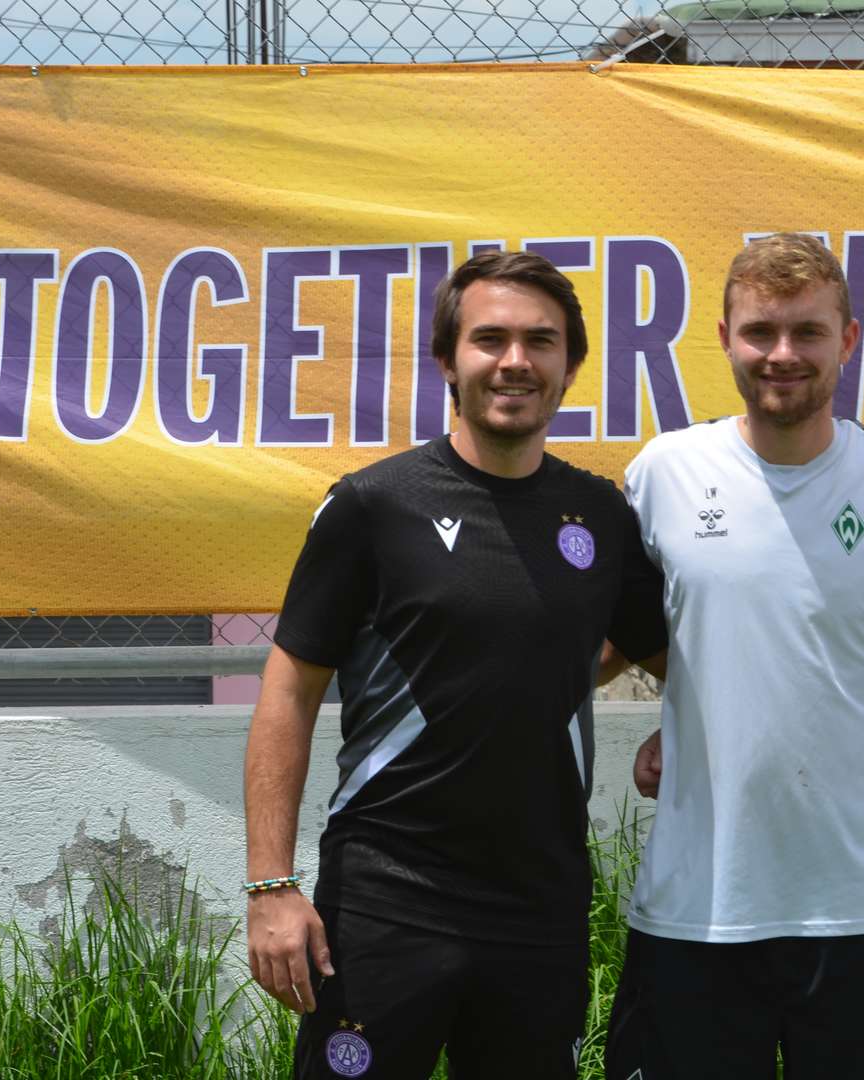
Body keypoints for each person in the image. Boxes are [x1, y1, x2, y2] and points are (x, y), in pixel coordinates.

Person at [243, 250, 668, 1079]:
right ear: (448, 359)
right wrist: (270, 886)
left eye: (540, 341)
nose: (515, 361)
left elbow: (672, 656)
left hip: (540, 908)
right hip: (382, 901)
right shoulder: (373, 506)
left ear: (569, 366)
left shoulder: (601, 517)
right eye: (490, 339)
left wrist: (672, 724)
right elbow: (289, 692)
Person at [605, 232, 864, 1080]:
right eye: (761, 332)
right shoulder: (664, 474)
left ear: (851, 337)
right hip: (699, 910)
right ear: (724, 338)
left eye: (808, 332)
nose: (783, 354)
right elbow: (615, 642)